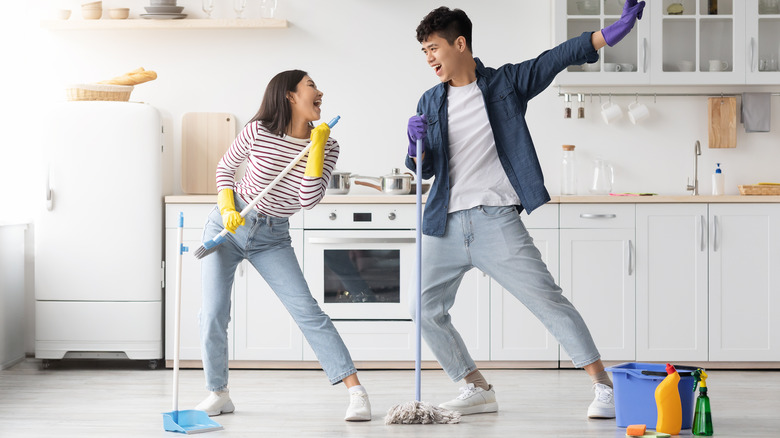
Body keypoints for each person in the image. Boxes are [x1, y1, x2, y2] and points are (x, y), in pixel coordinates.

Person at [404, 4, 645, 418]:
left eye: (433, 48)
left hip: (495, 219)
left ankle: (603, 386)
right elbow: (422, 167)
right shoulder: (430, 100)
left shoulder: (505, 84)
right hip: (444, 222)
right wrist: (413, 145)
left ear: (460, 44)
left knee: (547, 300)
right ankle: (476, 387)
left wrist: (605, 35)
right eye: (424, 51)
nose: (429, 58)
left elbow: (555, 57)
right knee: (422, 310)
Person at [195, 69, 371, 422]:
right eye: (311, 86)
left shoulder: (328, 146)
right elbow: (226, 169)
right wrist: (228, 206)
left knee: (307, 311)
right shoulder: (258, 130)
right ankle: (218, 393)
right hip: (227, 227)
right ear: (290, 96)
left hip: (272, 238)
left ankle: (356, 392)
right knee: (213, 314)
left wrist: (317, 146)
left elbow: (308, 199)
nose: (320, 92)